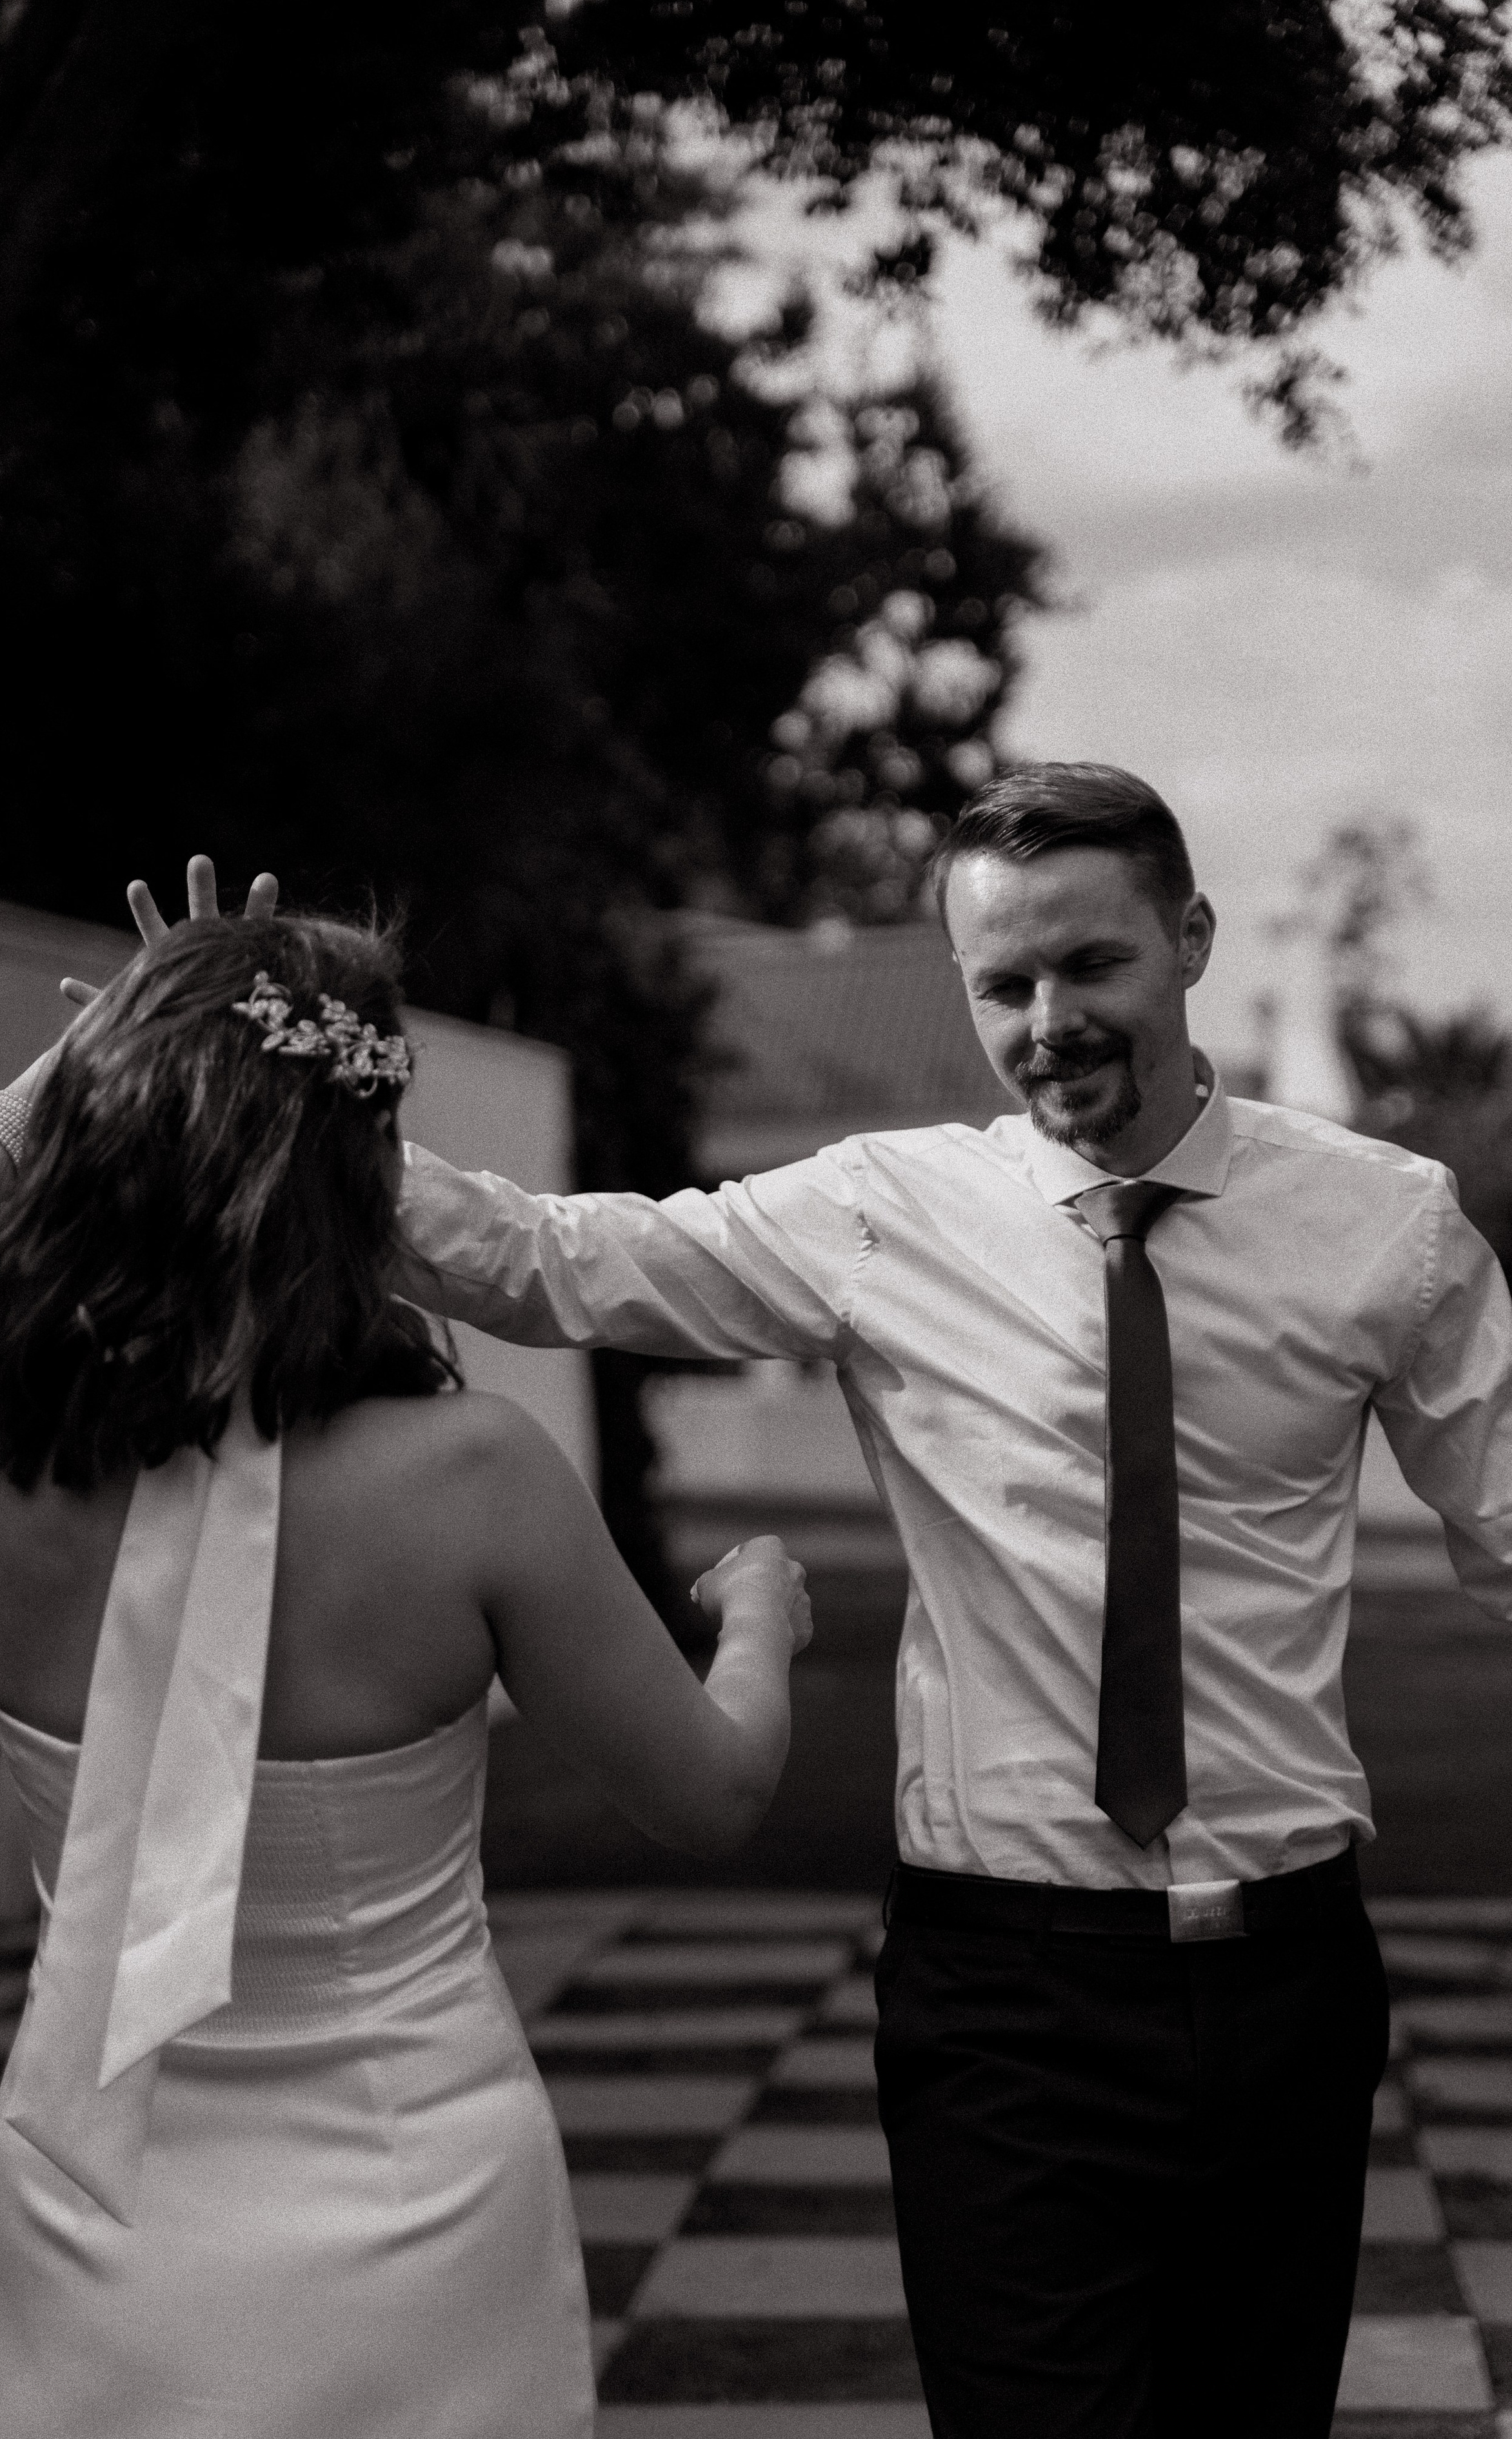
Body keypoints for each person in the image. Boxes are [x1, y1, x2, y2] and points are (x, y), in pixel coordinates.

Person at [370, 763, 1512, 2439]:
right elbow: (551, 1258)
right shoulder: (883, 1214)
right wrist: (283, 1084)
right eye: (1003, 985)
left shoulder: (1384, 1226)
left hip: (1285, 1980)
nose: (1049, 1021)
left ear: (1188, 940)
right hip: (1006, 1994)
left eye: (1092, 966)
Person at [0, 863, 811, 2439]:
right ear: (364, 1179)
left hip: (94, 2209)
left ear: (100, 1135)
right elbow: (708, 1796)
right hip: (413, 2203)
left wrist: (88, 1064)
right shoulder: (475, 1483)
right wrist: (760, 1625)